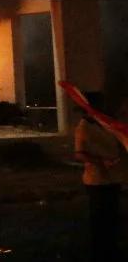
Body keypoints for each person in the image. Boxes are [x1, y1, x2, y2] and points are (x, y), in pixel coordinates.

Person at [73, 92, 121, 261]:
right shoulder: (84, 126)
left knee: (112, 218)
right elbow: (79, 154)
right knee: (100, 220)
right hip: (97, 180)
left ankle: (111, 251)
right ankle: (100, 253)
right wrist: (101, 162)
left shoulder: (107, 125)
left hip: (113, 178)